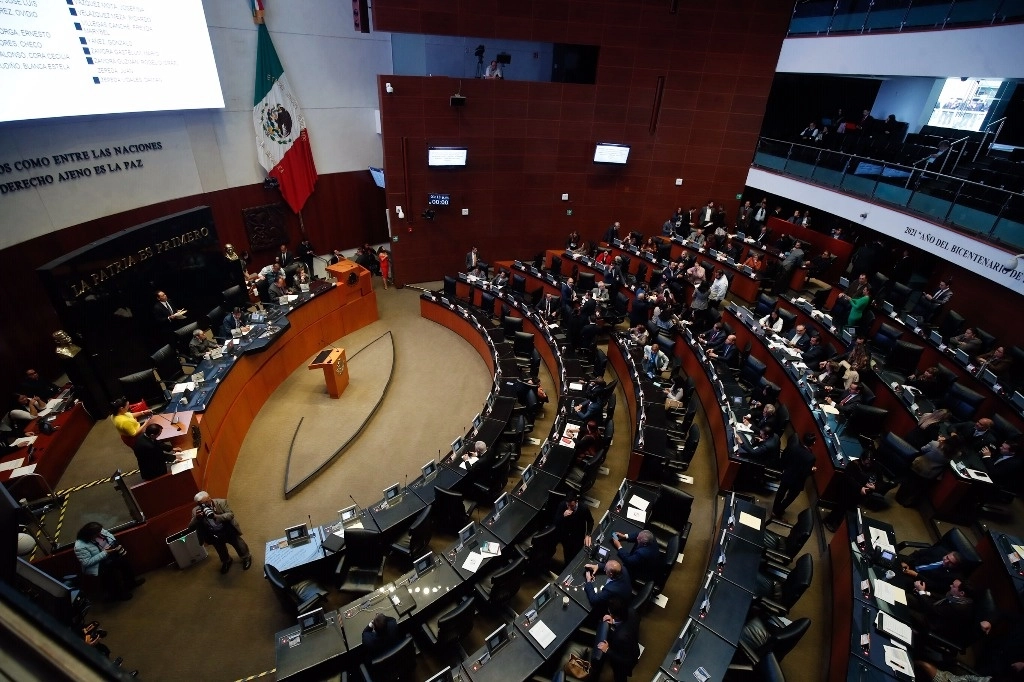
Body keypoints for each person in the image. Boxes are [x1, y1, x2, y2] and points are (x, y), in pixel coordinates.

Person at [74, 522, 142, 601]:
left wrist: (113, 546)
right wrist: (105, 552)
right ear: (90, 535)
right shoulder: (79, 546)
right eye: (97, 534)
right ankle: (119, 594)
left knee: (124, 562)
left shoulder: (99, 531)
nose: (100, 533)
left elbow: (110, 536)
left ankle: (131, 583)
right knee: (109, 573)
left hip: (109, 555)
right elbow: (87, 563)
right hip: (97, 565)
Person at [189, 491, 252, 573]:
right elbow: (190, 527)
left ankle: (246, 557)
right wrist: (196, 518)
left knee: (239, 544)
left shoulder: (221, 502)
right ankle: (227, 561)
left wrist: (216, 516)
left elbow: (230, 515)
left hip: (227, 529)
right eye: (201, 504)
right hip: (213, 533)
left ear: (209, 498)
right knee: (220, 550)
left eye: (206, 502)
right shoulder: (195, 511)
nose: (205, 505)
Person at [896, 434, 962, 506]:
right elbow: (959, 453)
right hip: (930, 474)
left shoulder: (935, 444)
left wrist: (938, 441)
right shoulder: (954, 454)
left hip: (918, 467)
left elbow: (923, 449)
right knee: (917, 488)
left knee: (908, 482)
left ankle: (898, 498)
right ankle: (908, 503)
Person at [590, 599, 641, 682]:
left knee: (620, 677)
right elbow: (627, 622)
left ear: (615, 614)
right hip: (634, 647)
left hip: (624, 662)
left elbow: (624, 659)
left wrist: (607, 650)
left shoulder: (620, 637)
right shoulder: (632, 612)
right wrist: (614, 621)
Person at [773, 433, 817, 518]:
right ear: (813, 443)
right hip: (797, 482)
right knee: (790, 498)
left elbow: (784, 458)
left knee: (780, 493)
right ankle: (778, 512)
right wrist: (812, 470)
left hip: (787, 475)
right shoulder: (811, 457)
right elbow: (805, 473)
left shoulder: (794, 447)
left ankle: (775, 509)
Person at [553, 492, 594, 564]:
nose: (569, 508)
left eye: (572, 506)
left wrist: (588, 534)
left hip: (579, 536)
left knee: (577, 554)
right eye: (568, 505)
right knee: (567, 554)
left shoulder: (583, 508)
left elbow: (590, 521)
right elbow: (556, 522)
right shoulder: (562, 506)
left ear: (576, 502)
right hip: (566, 537)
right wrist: (563, 516)